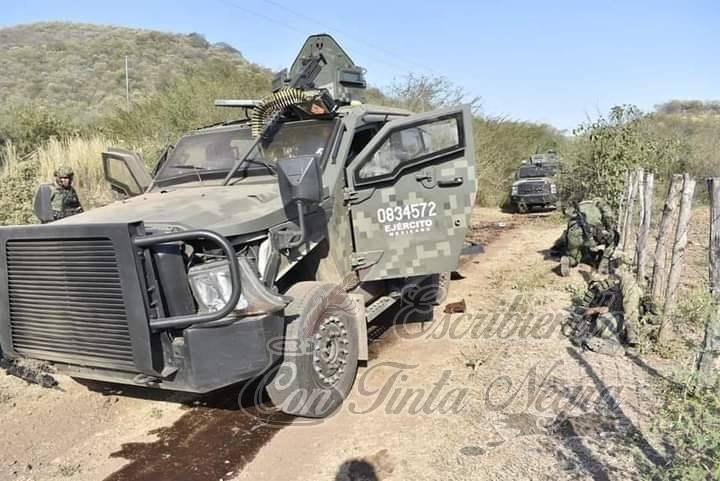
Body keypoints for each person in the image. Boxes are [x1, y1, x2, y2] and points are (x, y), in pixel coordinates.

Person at [570, 251, 642, 356]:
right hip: (610, 313)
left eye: (613, 264)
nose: (610, 266)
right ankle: (588, 334)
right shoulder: (615, 279)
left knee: (604, 319)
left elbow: (630, 311)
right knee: (582, 314)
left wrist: (633, 340)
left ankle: (616, 346)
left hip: (619, 319)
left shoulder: (628, 283)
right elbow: (599, 284)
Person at [559, 198, 618, 277]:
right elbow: (609, 219)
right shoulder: (601, 206)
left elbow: (568, 226)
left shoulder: (576, 208)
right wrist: (609, 231)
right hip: (592, 234)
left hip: (574, 234)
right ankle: (603, 265)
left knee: (575, 257)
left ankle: (568, 260)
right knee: (615, 236)